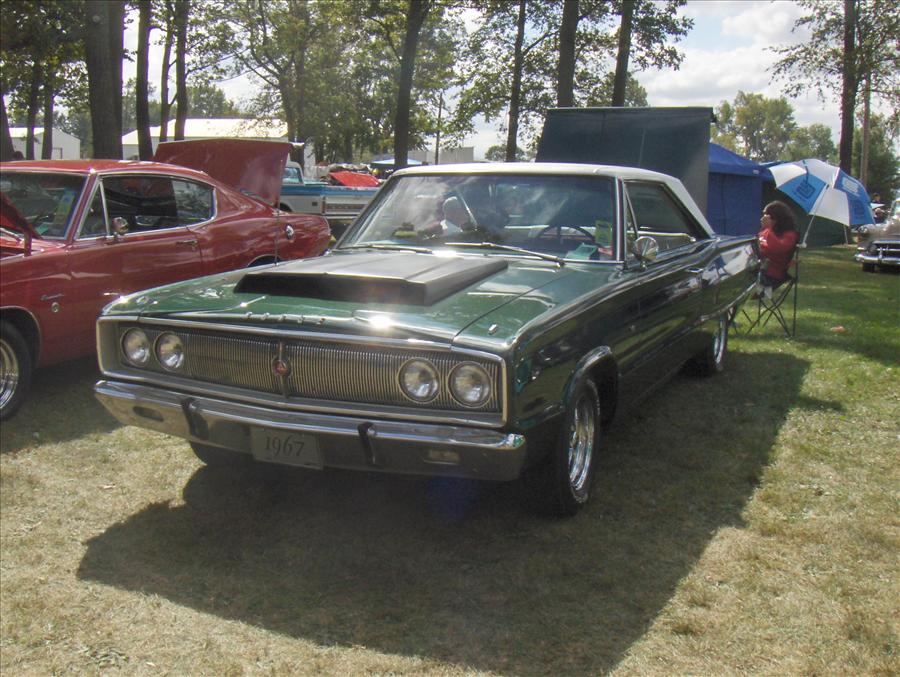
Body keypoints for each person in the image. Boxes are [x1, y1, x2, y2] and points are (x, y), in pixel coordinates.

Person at [757, 200, 799, 289]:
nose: (762, 219)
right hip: (757, 268)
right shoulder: (768, 231)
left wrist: (768, 227)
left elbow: (776, 248)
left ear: (776, 218)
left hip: (771, 275)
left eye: (766, 216)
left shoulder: (790, 235)